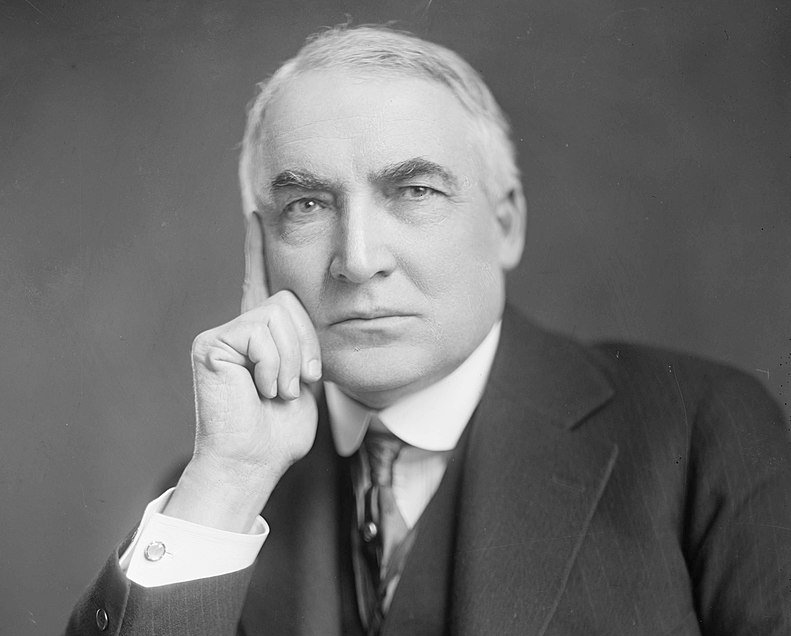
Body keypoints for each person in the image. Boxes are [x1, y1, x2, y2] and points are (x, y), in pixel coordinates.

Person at [66, 25, 791, 635]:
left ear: (505, 223)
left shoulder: (699, 433)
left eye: (413, 192)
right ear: (259, 245)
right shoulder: (213, 503)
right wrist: (227, 481)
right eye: (309, 205)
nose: (357, 260)